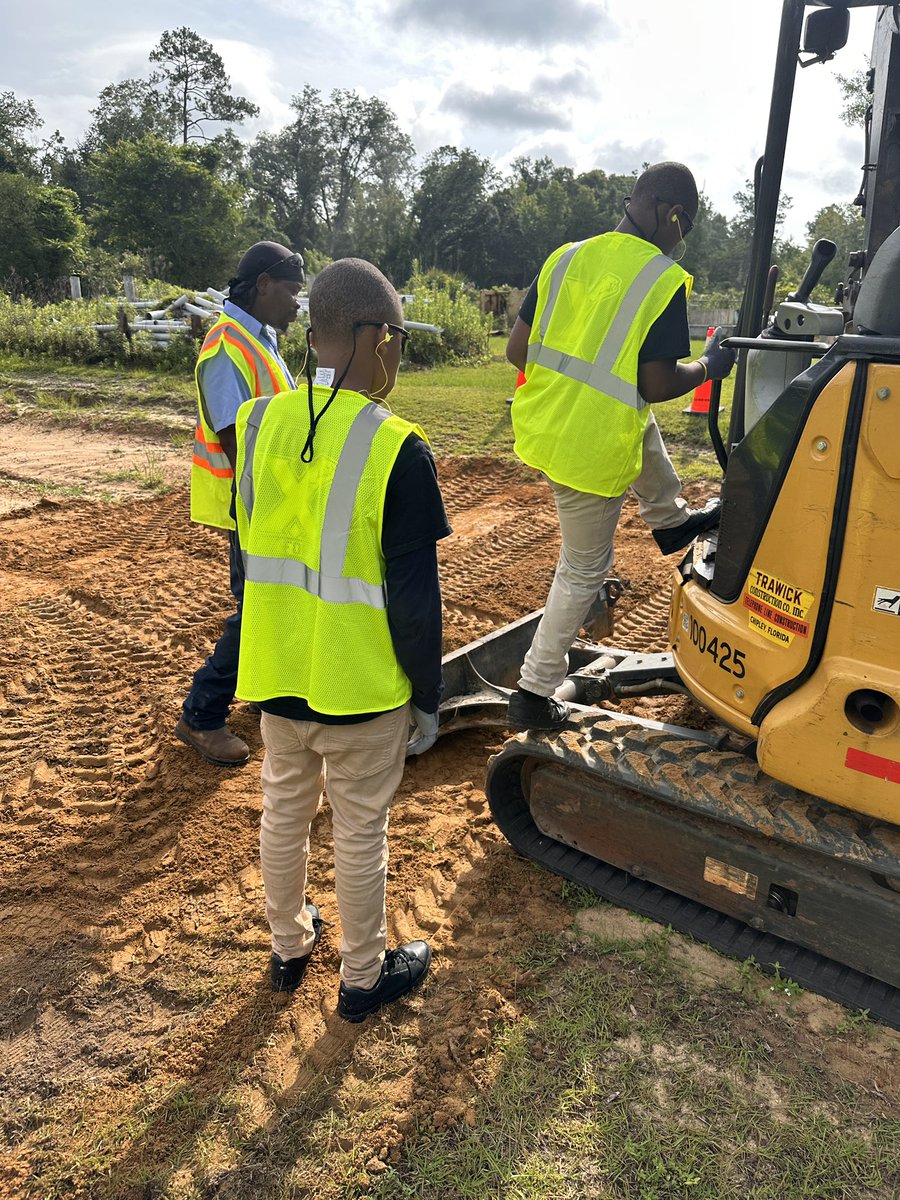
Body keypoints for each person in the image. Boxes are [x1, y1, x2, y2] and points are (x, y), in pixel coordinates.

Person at [233, 258, 451, 1021]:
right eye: (394, 337)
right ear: (367, 335)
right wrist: (428, 698)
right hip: (359, 688)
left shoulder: (261, 422)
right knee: (362, 831)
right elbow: (416, 604)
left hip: (276, 674)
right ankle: (363, 979)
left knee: (283, 809)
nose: (396, 352)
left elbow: (245, 556)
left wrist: (264, 646)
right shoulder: (398, 448)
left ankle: (289, 947)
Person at [506, 162, 736, 731]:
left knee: (634, 420)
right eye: (686, 226)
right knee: (583, 569)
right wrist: (711, 365)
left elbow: (518, 352)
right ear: (672, 214)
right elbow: (656, 385)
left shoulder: (566, 257)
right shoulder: (660, 279)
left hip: (547, 424)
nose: (682, 240)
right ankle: (533, 692)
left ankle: (669, 519)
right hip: (588, 447)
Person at [175, 242, 303, 767]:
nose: (298, 303)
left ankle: (266, 688)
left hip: (271, 497)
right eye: (292, 291)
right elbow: (235, 438)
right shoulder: (225, 346)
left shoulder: (259, 338)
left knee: (271, 602)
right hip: (249, 501)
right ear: (263, 285)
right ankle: (201, 715)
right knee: (255, 608)